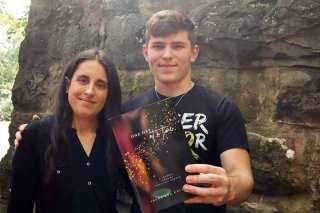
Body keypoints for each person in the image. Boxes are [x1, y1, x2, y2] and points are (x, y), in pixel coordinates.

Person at [14, 10, 253, 213]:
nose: (167, 55)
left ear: (194, 52)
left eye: (177, 46)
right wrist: (35, 134)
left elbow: (243, 180)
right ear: (146, 52)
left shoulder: (221, 108)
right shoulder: (126, 114)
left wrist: (230, 188)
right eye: (158, 46)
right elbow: (82, 130)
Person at [8, 48, 123, 213]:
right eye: (83, 80)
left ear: (108, 93)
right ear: (68, 85)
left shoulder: (118, 139)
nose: (90, 91)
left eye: (100, 84)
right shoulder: (36, 135)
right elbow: (18, 205)